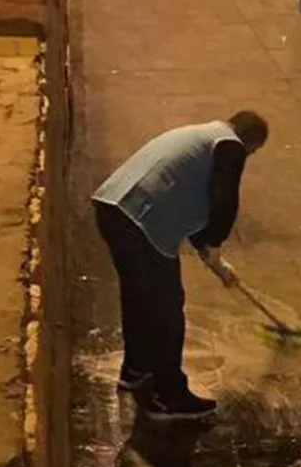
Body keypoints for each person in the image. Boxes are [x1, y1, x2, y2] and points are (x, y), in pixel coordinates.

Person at [91, 111, 269, 419]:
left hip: (112, 207)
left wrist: (215, 259)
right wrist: (215, 244)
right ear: (250, 142)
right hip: (142, 221)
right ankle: (168, 395)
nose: (249, 156)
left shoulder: (201, 136)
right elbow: (224, 200)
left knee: (139, 299)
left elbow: (195, 202)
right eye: (254, 151)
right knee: (167, 309)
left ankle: (137, 369)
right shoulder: (231, 145)